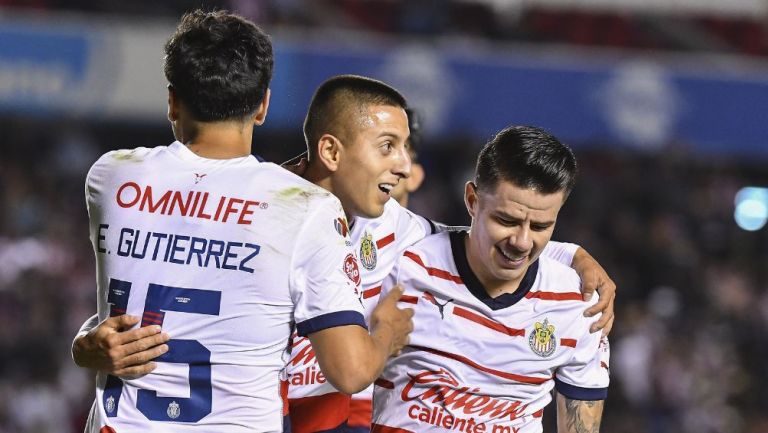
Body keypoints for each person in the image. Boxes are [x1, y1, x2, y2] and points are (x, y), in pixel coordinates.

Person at [74, 76, 617, 431]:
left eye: (406, 151)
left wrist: (574, 257)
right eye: (388, 149)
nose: (405, 168)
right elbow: (159, 303)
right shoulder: (256, 212)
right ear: (332, 151)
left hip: (329, 416)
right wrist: (86, 343)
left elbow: (475, 240)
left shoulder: (402, 235)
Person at [78, 12, 413, 433]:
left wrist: (83, 345)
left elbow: (152, 284)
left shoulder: (111, 177)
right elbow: (349, 372)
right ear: (263, 106)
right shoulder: (305, 207)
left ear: (172, 102)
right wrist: (383, 332)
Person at [371, 125, 609, 433]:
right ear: (472, 200)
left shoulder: (579, 303)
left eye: (540, 226)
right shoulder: (406, 268)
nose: (522, 242)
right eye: (506, 220)